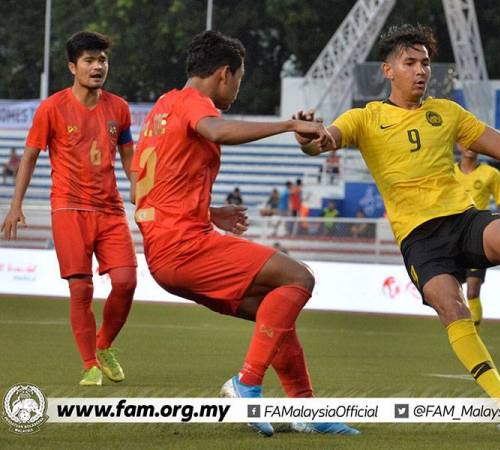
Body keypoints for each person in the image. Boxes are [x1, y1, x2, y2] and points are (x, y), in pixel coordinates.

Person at [295, 24, 500, 432]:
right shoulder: (365, 118)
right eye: (411, 63)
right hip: (418, 238)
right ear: (388, 70)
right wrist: (305, 137)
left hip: (462, 218)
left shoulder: (448, 112)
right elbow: (323, 142)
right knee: (451, 307)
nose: (421, 70)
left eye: (425, 63)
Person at [131, 30, 357, 437]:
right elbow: (217, 132)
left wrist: (209, 211)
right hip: (184, 246)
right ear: (223, 74)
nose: (237, 89)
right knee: (299, 277)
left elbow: (142, 188)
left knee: (276, 309)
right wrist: (287, 124)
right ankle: (246, 384)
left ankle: (306, 408)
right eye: (239, 80)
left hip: (164, 250)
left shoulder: (161, 108)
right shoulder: (194, 103)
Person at [1, 31, 137, 386]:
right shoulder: (52, 108)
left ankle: (104, 344)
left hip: (109, 208)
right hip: (68, 208)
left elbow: (127, 151)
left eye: (102, 60)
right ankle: (90, 363)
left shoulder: (119, 108)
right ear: (72, 67)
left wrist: (138, 183)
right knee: (81, 289)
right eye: (90, 60)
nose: (98, 66)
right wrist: (15, 206)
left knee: (126, 281)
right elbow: (29, 155)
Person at [454, 144, 500, 330]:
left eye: (473, 142)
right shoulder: (448, 172)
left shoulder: (491, 174)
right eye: (464, 141)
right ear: (457, 145)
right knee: (453, 293)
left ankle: (475, 334)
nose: (469, 146)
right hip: (452, 238)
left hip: (476, 238)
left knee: (472, 291)